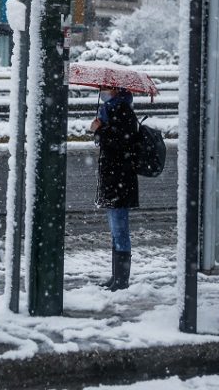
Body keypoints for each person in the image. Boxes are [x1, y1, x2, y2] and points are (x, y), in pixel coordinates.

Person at [89, 86, 139, 291]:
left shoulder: (122, 111)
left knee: (120, 229)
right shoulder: (111, 109)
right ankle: (116, 276)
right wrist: (99, 129)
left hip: (120, 177)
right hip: (115, 177)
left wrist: (99, 129)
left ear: (117, 90)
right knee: (115, 229)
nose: (104, 91)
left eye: (108, 88)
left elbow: (121, 142)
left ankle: (121, 280)